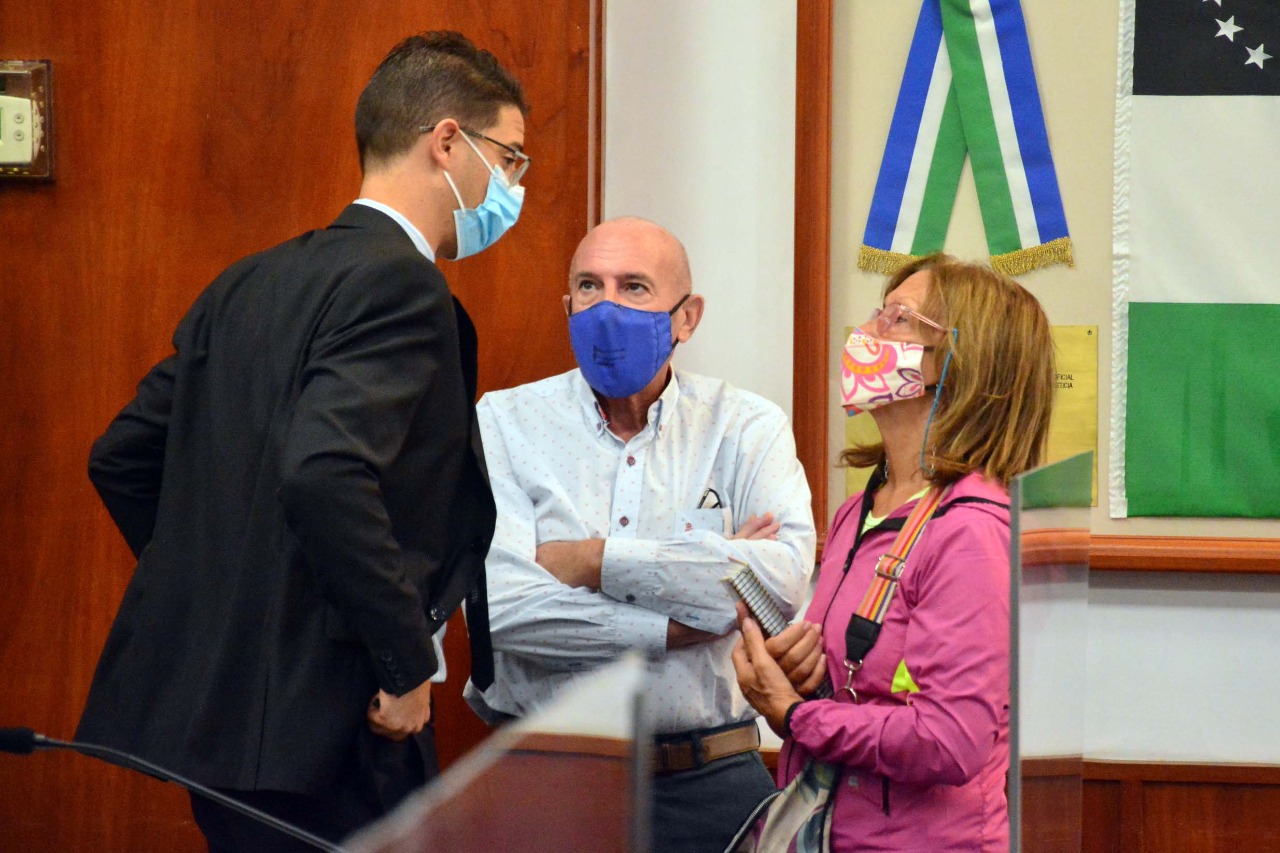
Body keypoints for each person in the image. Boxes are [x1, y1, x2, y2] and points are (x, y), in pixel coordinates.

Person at [78, 31, 529, 850]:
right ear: (448, 142)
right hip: (337, 726)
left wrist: (233, 600)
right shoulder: (402, 285)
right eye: (512, 158)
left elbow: (123, 456)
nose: (514, 185)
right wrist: (403, 663)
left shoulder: (250, 279)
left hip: (221, 731)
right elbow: (326, 472)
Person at [463, 217, 817, 853]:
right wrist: (683, 620)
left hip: (712, 782)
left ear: (687, 317)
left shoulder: (746, 427)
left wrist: (593, 561)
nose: (607, 308)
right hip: (549, 781)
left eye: (634, 287)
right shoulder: (504, 422)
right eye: (589, 287)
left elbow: (781, 585)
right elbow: (501, 612)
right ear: (566, 305)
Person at [732, 253, 1055, 852]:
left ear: (963, 359)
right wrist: (810, 680)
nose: (868, 332)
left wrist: (794, 716)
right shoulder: (861, 509)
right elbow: (873, 690)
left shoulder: (971, 531)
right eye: (881, 311)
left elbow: (949, 740)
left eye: (898, 318)